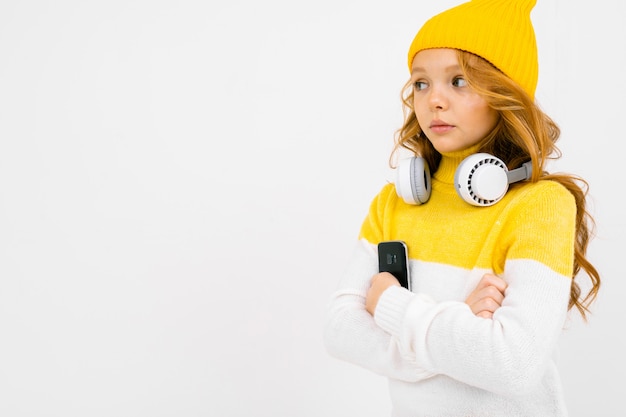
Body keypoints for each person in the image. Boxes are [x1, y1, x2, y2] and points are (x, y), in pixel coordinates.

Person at [323, 0, 601, 416]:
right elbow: (340, 330)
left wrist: (392, 307)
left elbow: (513, 364)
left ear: (504, 93)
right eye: (421, 83)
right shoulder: (393, 204)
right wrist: (458, 323)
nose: (434, 100)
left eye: (458, 81)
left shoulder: (540, 205)